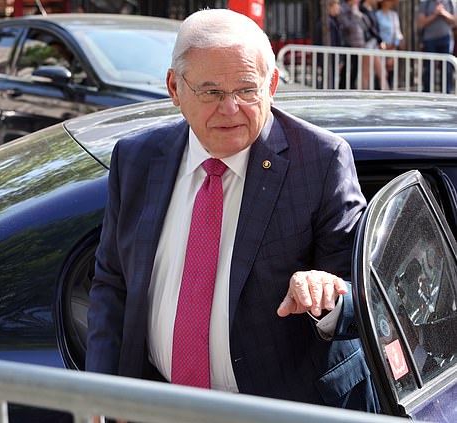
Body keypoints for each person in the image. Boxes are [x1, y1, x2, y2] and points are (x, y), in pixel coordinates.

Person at [86, 7, 379, 416]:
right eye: (210, 92)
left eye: (246, 89)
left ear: (272, 84)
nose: (230, 108)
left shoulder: (320, 160)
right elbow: (112, 281)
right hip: (158, 404)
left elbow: (362, 289)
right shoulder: (137, 159)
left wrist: (326, 292)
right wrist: (98, 393)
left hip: (283, 409)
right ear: (175, 88)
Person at [417, 0, 456, 93]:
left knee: (446, 68)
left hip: (446, 39)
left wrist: (443, 13)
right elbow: (420, 23)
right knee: (429, 69)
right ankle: (427, 93)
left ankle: (446, 93)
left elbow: (454, 21)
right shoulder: (425, 3)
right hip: (429, 40)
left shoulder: (450, 2)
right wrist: (435, 15)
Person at [376, 0, 404, 85]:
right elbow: (376, 31)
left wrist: (396, 44)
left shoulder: (394, 15)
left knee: (391, 75)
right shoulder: (377, 15)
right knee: (380, 74)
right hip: (380, 49)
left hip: (392, 49)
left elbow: (397, 32)